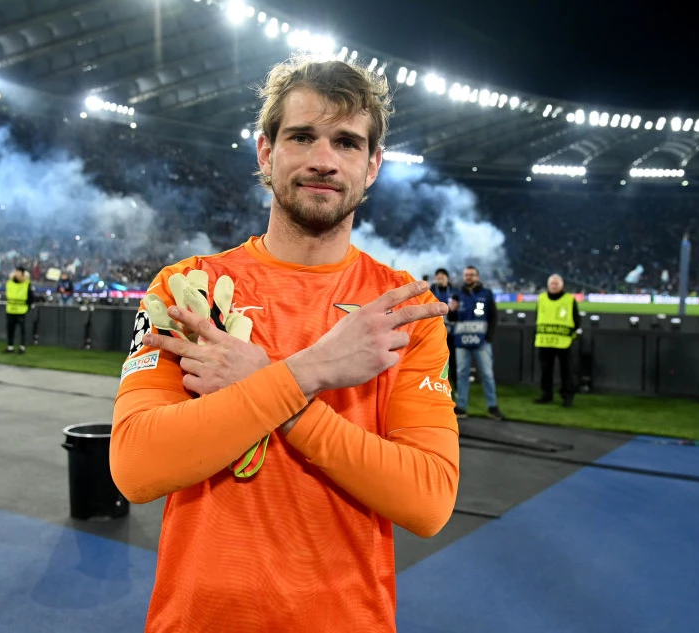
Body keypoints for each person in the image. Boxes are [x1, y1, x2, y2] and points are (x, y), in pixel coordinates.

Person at [110, 57, 459, 633]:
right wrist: (310, 370)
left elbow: (427, 499)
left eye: (347, 143)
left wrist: (266, 382)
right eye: (302, 137)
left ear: (372, 167)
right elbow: (136, 466)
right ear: (266, 153)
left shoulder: (400, 308)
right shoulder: (186, 287)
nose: (323, 160)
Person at [448, 265, 504, 420]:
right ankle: (461, 407)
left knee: (487, 374)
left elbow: (493, 316)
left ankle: (492, 407)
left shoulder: (486, 293)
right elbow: (452, 319)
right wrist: (451, 310)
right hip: (462, 342)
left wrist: (489, 337)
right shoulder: (457, 294)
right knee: (461, 375)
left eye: (472, 274)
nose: (469, 277)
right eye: (466, 275)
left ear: (477, 276)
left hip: (481, 342)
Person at [534, 274, 580, 407]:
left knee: (566, 371)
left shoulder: (569, 300)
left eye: (556, 284)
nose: (554, 286)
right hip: (545, 341)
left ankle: (567, 396)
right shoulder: (541, 298)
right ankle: (546, 395)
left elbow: (576, 321)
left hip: (563, 342)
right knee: (545, 371)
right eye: (552, 284)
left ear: (562, 285)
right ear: (548, 285)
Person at [429, 267, 457, 391]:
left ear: (447, 277)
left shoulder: (454, 292)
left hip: (452, 332)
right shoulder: (431, 291)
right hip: (436, 332)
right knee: (437, 360)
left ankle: (455, 384)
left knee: (453, 360)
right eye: (438, 277)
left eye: (442, 277)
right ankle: (437, 384)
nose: (440, 279)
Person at [4, 266, 33, 353]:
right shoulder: (9, 283)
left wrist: (27, 307)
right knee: (10, 329)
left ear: (23, 274)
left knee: (22, 330)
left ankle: (22, 347)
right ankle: (10, 347)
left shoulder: (27, 284)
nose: (17, 274)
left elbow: (30, 297)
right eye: (16, 272)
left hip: (21, 310)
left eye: (19, 272)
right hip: (10, 310)